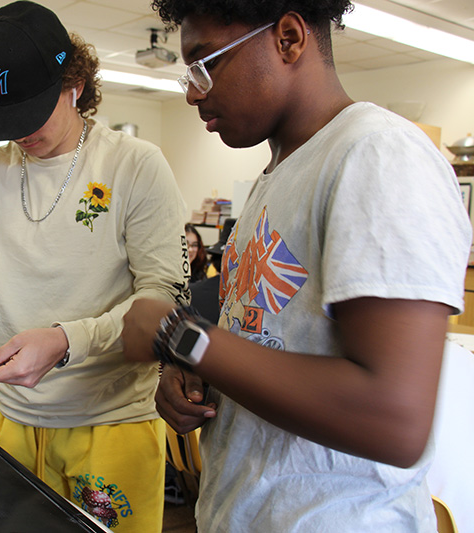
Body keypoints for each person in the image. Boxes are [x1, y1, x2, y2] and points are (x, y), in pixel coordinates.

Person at [121, 1, 471, 531]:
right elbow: (275, 346)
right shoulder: (277, 175)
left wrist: (181, 336)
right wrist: (194, 374)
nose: (193, 90)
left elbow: (393, 418)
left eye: (205, 62)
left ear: (288, 38)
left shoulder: (377, 154)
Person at [0, 3, 188, 531]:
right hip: (14, 416)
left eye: (34, 110)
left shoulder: (135, 166)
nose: (21, 132)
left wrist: (68, 340)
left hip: (112, 420)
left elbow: (163, 296)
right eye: (7, 118)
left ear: (73, 80)